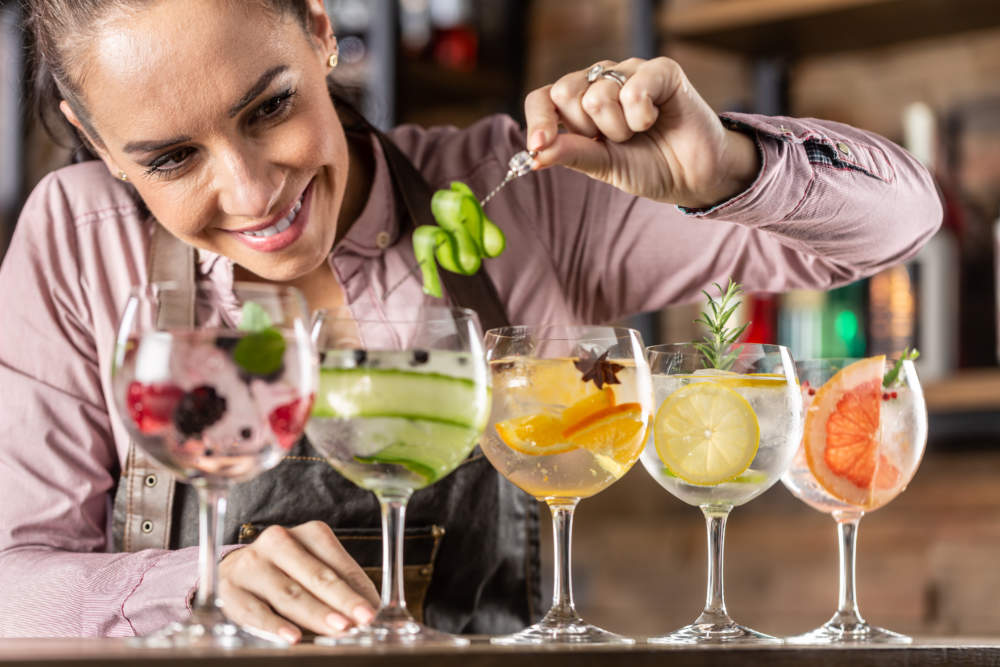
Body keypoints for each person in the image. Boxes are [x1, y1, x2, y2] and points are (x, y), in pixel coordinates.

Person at [0, 0, 940, 642]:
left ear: (322, 31)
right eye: (169, 159)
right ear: (94, 141)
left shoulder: (528, 196)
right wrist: (194, 584)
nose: (250, 193)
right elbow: (13, 581)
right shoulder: (80, 241)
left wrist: (724, 167)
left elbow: (902, 220)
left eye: (272, 106)